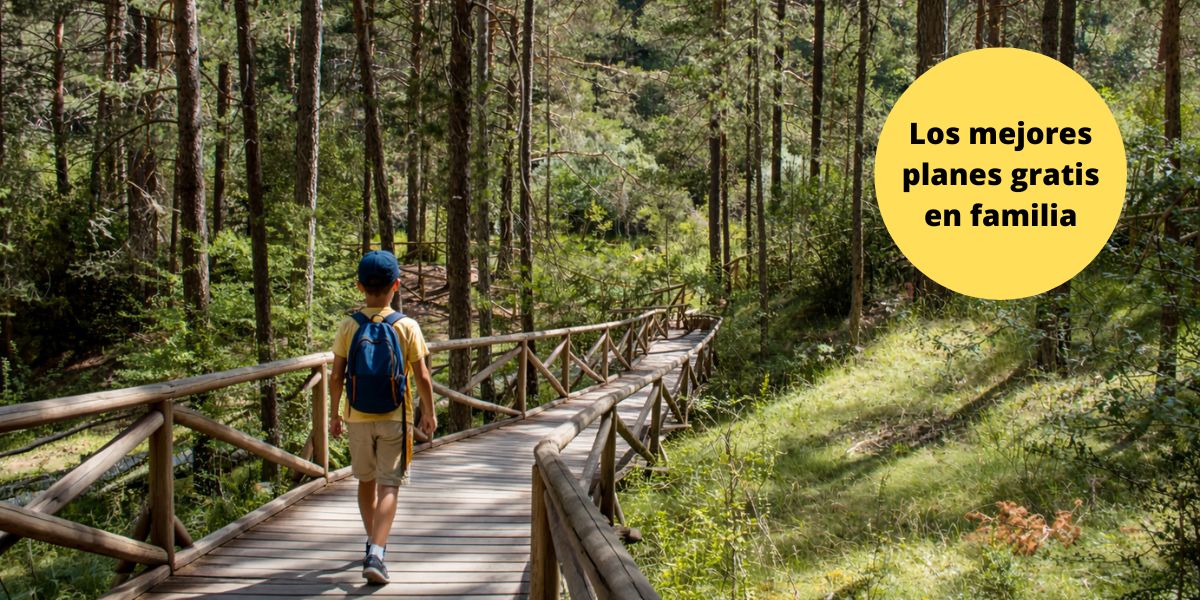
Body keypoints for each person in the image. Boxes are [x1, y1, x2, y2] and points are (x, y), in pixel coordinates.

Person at [329, 250, 436, 584]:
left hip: (357, 416)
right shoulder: (407, 326)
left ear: (360, 286)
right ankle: (377, 550)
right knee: (390, 484)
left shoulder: (348, 325)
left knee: (365, 481)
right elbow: (422, 376)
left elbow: (335, 376)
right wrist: (428, 412)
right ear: (396, 285)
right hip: (395, 417)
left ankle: (373, 543)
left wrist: (334, 413)